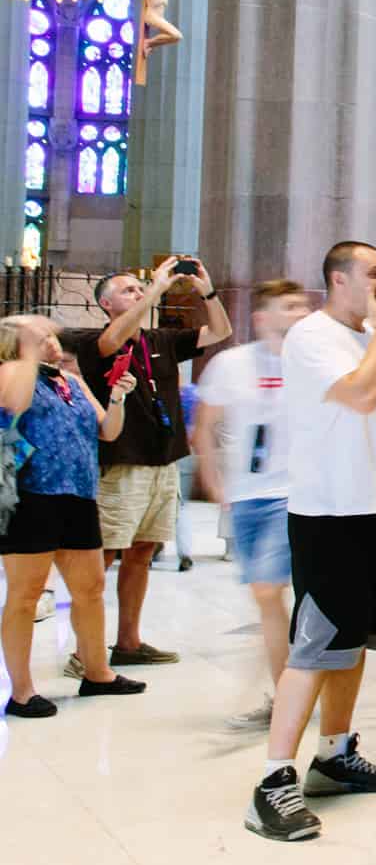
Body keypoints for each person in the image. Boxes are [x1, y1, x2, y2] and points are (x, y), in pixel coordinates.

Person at [245, 242, 376, 843]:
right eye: (375, 272)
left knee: (357, 641)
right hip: (331, 515)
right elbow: (361, 394)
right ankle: (272, 781)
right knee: (313, 648)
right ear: (338, 279)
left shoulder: (366, 335)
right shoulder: (313, 337)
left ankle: (334, 755)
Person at [58, 258, 233, 674]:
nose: (138, 293)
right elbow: (112, 342)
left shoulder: (163, 339)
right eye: (128, 291)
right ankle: (85, 651)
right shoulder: (93, 339)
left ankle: (128, 642)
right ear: (106, 305)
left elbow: (221, 331)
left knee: (142, 552)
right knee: (102, 557)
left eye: (140, 290)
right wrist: (155, 288)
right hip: (121, 464)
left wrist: (206, 289)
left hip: (163, 460)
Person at [1, 316, 144, 717]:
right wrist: (27, 353)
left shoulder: (71, 381)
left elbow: (108, 432)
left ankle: (97, 671)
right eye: (40, 336)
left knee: (91, 589)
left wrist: (117, 397)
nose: (51, 342)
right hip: (30, 496)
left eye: (51, 336)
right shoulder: (10, 372)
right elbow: (15, 403)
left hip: (78, 494)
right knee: (25, 595)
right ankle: (22, 690)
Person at [193, 279, 313, 729]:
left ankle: (288, 697)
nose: (299, 312)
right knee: (266, 599)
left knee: (268, 589)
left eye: (303, 305)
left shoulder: (313, 364)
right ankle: (287, 686)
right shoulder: (230, 365)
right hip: (247, 495)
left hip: (295, 494)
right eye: (289, 305)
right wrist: (213, 481)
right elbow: (205, 426)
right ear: (262, 317)